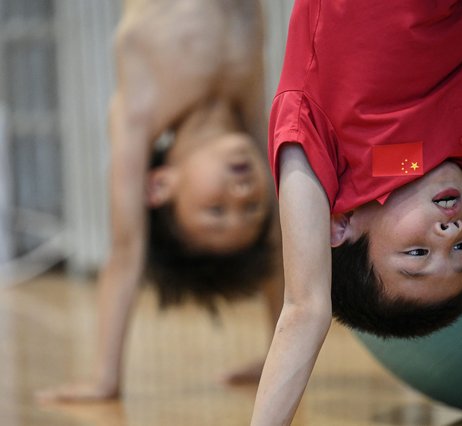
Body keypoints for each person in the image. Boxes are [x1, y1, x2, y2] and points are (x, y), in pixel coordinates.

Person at [251, 0, 462, 424]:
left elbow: (307, 309)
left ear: (340, 225)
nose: (449, 232)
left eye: (418, 254)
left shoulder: (319, 142)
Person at [36, 0, 283, 402]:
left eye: (215, 210)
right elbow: (278, 240)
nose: (242, 194)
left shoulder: (140, 112)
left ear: (160, 186)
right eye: (252, 207)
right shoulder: (254, 124)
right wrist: (281, 353)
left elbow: (126, 249)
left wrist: (106, 378)